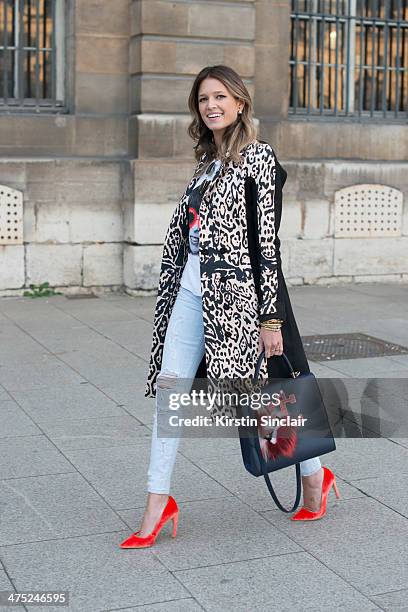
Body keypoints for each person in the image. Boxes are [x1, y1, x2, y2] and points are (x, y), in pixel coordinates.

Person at [119, 65, 339, 549]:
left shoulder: (259, 159)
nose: (211, 105)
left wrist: (271, 318)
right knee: (171, 392)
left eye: (220, 96)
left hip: (238, 303)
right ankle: (157, 501)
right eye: (203, 100)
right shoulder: (205, 165)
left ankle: (314, 475)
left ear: (240, 102)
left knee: (272, 394)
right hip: (188, 294)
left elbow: (266, 247)